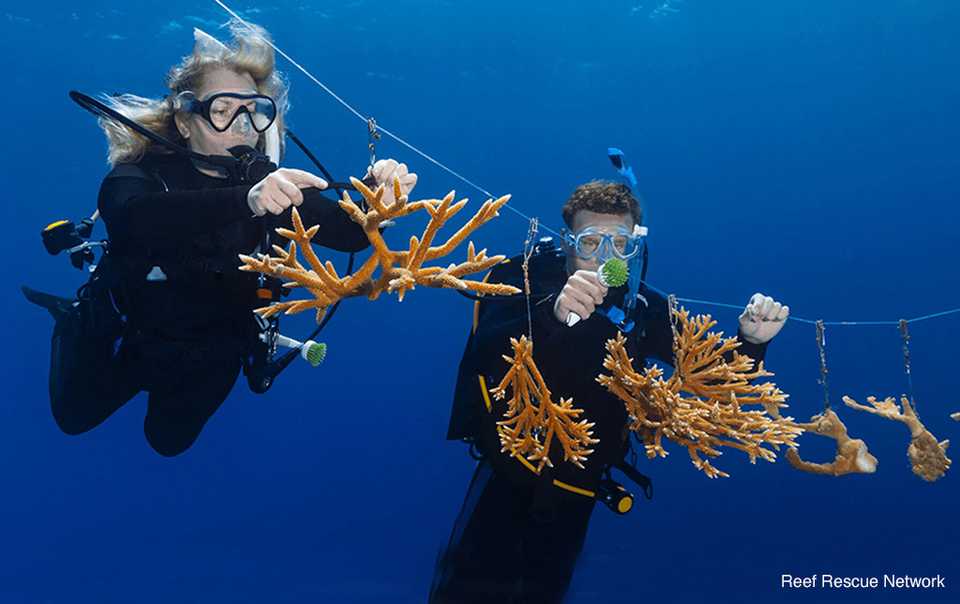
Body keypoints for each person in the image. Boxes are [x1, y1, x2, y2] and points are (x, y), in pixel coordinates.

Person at [24, 23, 417, 457]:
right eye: (223, 110)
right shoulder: (140, 175)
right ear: (185, 121)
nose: (244, 126)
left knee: (167, 442)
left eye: (255, 111)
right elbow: (135, 218)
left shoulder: (270, 182)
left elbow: (348, 235)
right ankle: (70, 322)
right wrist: (246, 200)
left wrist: (379, 200)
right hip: (132, 326)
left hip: (215, 345)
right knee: (73, 418)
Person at [432, 181, 789, 603]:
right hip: (507, 468)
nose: (605, 257)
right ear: (568, 241)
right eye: (591, 241)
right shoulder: (521, 275)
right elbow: (487, 342)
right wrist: (554, 311)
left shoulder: (642, 307)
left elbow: (716, 378)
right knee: (462, 592)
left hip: (580, 486)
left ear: (634, 248)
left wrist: (751, 341)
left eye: (620, 244)